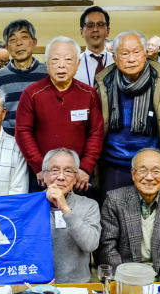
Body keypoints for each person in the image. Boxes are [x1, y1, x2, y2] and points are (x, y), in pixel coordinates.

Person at [95, 30, 160, 194]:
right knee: (113, 209)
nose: (131, 59)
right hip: (113, 166)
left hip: (152, 168)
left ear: (145, 54)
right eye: (124, 53)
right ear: (115, 58)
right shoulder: (104, 83)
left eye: (136, 52)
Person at [15, 36, 105, 193]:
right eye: (55, 60)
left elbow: (96, 133)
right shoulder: (32, 93)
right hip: (42, 177)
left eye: (68, 60)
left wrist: (85, 167)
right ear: (47, 64)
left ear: (77, 64)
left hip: (78, 177)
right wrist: (40, 167)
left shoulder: (88, 94)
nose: (61, 65)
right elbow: (23, 132)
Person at [98, 148, 160, 281]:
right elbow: (108, 248)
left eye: (156, 171)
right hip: (125, 279)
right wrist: (127, 282)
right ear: (133, 174)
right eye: (142, 170)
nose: (149, 177)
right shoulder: (114, 200)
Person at [42, 148, 101, 283]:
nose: (61, 177)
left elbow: (90, 245)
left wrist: (65, 209)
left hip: (78, 286)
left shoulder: (89, 205)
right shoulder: (30, 206)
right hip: (39, 285)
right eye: (55, 170)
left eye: (68, 171)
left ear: (75, 178)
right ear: (44, 175)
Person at [0, 19, 49, 135]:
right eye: (13, 40)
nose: (19, 43)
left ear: (34, 42)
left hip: (42, 141)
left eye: (24, 37)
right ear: (7, 47)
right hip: (9, 142)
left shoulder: (48, 74)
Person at [74, 6, 114, 86]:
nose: (95, 29)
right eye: (90, 25)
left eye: (100, 24)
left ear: (108, 31)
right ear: (82, 32)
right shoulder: (73, 64)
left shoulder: (117, 62)